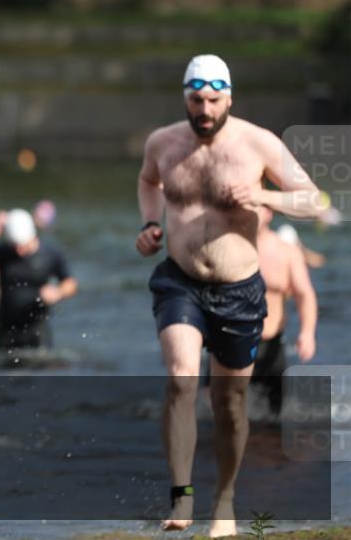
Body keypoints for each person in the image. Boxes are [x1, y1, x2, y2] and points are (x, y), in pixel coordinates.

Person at [136, 55, 326, 537]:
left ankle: (224, 499)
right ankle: (182, 497)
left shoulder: (258, 143)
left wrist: (265, 197)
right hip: (179, 280)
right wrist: (151, 224)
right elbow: (148, 180)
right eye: (196, 100)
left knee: (230, 403)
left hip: (239, 290)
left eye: (213, 101)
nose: (204, 110)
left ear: (229, 98)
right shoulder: (164, 142)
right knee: (181, 378)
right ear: (185, 97)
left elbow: (314, 200)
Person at [0, 208, 77, 364]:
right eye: (15, 245)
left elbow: (70, 283)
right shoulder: (3, 252)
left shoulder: (50, 254)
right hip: (6, 330)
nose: (19, 250)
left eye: (23, 245)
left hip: (37, 330)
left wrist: (58, 292)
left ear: (33, 236)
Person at [250, 207, 318, 414]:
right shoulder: (226, 247)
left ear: (269, 212)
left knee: (276, 415)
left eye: (256, 208)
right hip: (230, 342)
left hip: (272, 343)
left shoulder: (286, 252)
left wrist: (307, 333)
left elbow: (304, 294)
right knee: (216, 410)